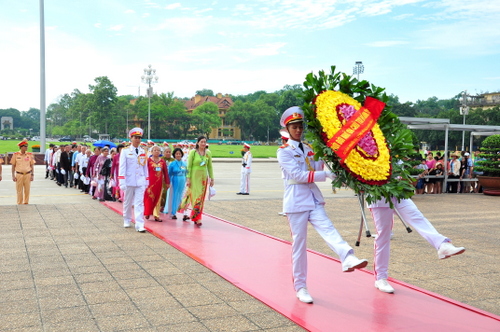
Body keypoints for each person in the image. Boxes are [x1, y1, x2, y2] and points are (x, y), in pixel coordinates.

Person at [277, 106, 368, 304]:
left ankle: (348, 256)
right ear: (287, 129)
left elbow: (323, 167)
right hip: (296, 201)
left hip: (313, 198)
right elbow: (298, 176)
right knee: (299, 246)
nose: (298, 130)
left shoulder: (310, 148)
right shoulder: (283, 152)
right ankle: (301, 287)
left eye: (300, 126)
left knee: (328, 228)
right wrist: (325, 174)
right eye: (294, 127)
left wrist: (343, 172)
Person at [368, 198, 465, 293]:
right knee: (383, 236)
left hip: (399, 193)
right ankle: (380, 278)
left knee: (418, 218)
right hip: (378, 197)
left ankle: (442, 245)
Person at [179, 135, 214, 226]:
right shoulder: (193, 152)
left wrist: (212, 178)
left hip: (203, 179)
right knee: (195, 197)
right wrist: (188, 178)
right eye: (201, 142)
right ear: (197, 143)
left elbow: (210, 166)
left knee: (201, 198)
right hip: (194, 178)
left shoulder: (208, 153)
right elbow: (189, 167)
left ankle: (197, 217)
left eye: (204, 142)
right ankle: (194, 216)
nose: (203, 143)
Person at [119, 128, 149, 233]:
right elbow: (122, 167)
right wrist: (122, 181)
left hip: (140, 180)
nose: (137, 140)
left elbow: (145, 167)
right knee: (127, 202)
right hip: (129, 180)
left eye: (139, 138)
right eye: (135, 137)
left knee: (139, 203)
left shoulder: (143, 151)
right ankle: (126, 219)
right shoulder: (125, 151)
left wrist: (147, 180)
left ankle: (140, 224)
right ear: (131, 138)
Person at [144, 145, 170, 222]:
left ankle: (156, 215)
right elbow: (145, 172)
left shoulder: (162, 161)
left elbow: (165, 172)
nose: (156, 151)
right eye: (155, 150)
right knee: (149, 197)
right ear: (151, 152)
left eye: (158, 150)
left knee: (158, 198)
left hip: (159, 183)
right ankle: (147, 213)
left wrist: (167, 182)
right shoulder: (148, 160)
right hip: (149, 183)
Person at [10, 139, 35, 204]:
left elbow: (32, 165)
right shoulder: (16, 155)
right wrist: (13, 175)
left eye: (27, 146)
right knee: (19, 190)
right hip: (19, 174)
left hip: (27, 174)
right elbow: (13, 165)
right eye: (25, 146)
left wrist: (32, 175)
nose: (26, 147)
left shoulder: (29, 155)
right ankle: (19, 202)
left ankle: (26, 202)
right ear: (21, 147)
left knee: (27, 190)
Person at [168, 147, 187, 219]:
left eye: (179, 153)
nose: (178, 155)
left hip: (183, 180)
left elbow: (187, 173)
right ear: (174, 155)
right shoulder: (172, 164)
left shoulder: (184, 163)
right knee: (175, 196)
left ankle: (184, 212)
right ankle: (173, 213)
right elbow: (170, 174)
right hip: (175, 180)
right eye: (176, 154)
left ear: (182, 154)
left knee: (182, 196)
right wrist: (169, 183)